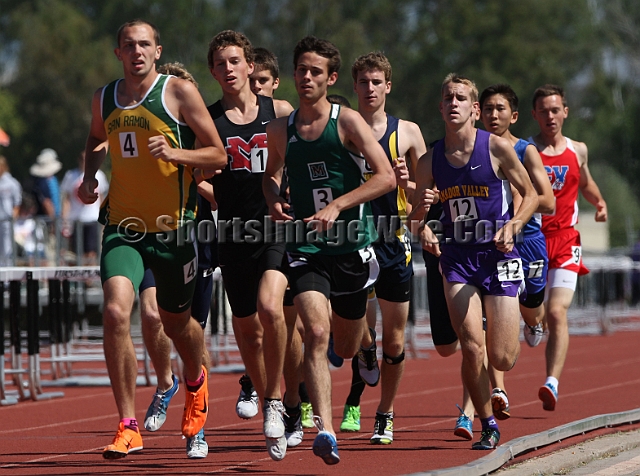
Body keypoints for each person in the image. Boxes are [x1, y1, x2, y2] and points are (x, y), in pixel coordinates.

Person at [78, 19, 227, 459]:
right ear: (118, 53)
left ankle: (196, 383)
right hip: (124, 229)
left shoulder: (177, 93)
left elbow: (217, 153)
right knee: (113, 312)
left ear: (157, 51)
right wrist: (90, 177)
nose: (137, 51)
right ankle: (127, 425)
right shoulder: (105, 98)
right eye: (129, 45)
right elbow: (94, 136)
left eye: (145, 44)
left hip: (174, 230)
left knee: (177, 324)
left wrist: (175, 152)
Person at [263, 36, 395, 464]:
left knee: (346, 343)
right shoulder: (280, 129)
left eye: (315, 71)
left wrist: (339, 204)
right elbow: (271, 175)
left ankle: (366, 345)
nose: (306, 77)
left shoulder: (348, 122)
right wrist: (275, 202)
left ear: (331, 78)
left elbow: (386, 177)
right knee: (315, 334)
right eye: (301, 69)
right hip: (306, 247)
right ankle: (325, 428)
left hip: (352, 247)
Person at [411, 73, 538, 450]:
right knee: (470, 346)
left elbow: (530, 195)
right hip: (457, 258)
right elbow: (414, 217)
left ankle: (518, 329)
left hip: (498, 255)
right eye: (448, 97)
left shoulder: (497, 148)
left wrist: (513, 225)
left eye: (461, 98)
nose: (454, 103)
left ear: (474, 109)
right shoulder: (429, 159)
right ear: (441, 106)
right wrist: (425, 228)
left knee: (503, 355)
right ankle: (487, 424)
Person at [206, 30, 295, 461]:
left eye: (234, 61)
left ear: (249, 65)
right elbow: (196, 174)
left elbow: (304, 157)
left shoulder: (279, 112)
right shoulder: (207, 121)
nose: (228, 70)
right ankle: (268, 399)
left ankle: (278, 402)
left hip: (275, 225)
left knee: (270, 307)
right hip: (232, 233)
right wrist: (211, 194)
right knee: (246, 330)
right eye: (220, 64)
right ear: (213, 71)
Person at [339, 52, 427, 445]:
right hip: (352, 239)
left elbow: (429, 195)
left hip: (393, 240)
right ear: (354, 86)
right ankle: (365, 351)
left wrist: (409, 186)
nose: (370, 89)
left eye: (377, 82)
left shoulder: (407, 132)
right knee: (357, 327)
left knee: (395, 339)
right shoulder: (339, 129)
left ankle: (386, 413)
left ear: (387, 86)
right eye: (363, 82)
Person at [139, 61, 216, 459]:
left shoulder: (197, 129)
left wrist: (184, 165)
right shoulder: (135, 121)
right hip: (145, 230)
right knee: (151, 315)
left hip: (191, 235)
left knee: (190, 330)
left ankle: (196, 428)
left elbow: (216, 172)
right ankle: (164, 382)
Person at [529, 84, 607, 411]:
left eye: (555, 109)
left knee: (558, 313)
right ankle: (532, 322)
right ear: (534, 115)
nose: (550, 116)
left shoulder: (578, 150)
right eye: (544, 110)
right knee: (538, 314)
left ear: (565, 112)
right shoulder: (525, 150)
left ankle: (552, 382)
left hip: (565, 240)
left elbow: (584, 181)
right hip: (530, 242)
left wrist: (599, 202)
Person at [60, 151, 109, 265]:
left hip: (93, 219)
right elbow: (67, 199)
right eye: (83, 159)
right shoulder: (71, 175)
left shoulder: (99, 175)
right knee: (77, 252)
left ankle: (89, 280)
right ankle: (81, 279)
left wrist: (104, 216)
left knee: (92, 251)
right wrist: (64, 217)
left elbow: (102, 198)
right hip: (77, 219)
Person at [0, 155, 22, 266]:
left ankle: (7, 278)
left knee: (7, 248)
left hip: (6, 220)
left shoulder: (11, 183)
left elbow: (17, 203)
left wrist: (14, 216)